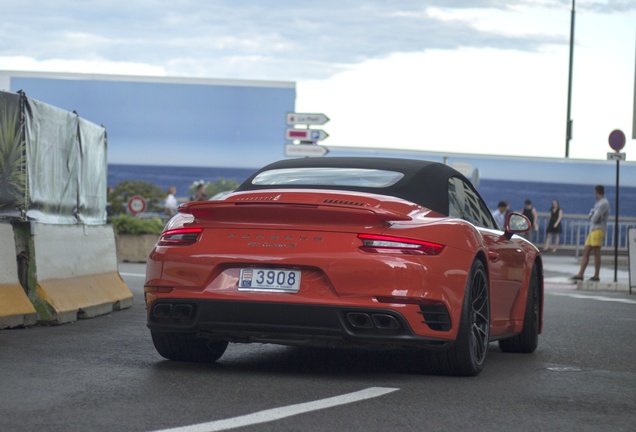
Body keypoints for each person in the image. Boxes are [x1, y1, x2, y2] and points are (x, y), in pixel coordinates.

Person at [571, 185, 610, 282]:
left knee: (596, 253)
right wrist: (593, 215)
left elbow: (594, 217)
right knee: (586, 251)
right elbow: (593, 215)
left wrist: (593, 215)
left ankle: (596, 276)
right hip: (593, 230)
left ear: (597, 192)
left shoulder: (604, 203)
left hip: (598, 230)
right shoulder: (599, 203)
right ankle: (580, 274)